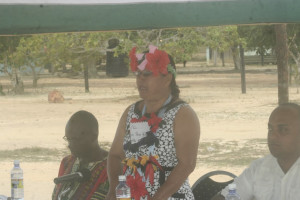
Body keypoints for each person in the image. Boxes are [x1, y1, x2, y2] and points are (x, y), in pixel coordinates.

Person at [105, 45, 201, 200]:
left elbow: (187, 164)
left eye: (147, 74)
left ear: (167, 79)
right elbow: (115, 155)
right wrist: (114, 189)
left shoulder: (182, 114)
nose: (140, 79)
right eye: (138, 74)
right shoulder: (130, 112)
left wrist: (158, 197)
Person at [212, 103, 300, 200]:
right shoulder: (258, 168)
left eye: (283, 130)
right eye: (270, 129)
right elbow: (225, 197)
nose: (272, 136)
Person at [52, 110, 109, 200]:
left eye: (75, 139)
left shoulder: (112, 167)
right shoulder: (67, 162)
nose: (69, 145)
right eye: (68, 139)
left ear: (93, 136)